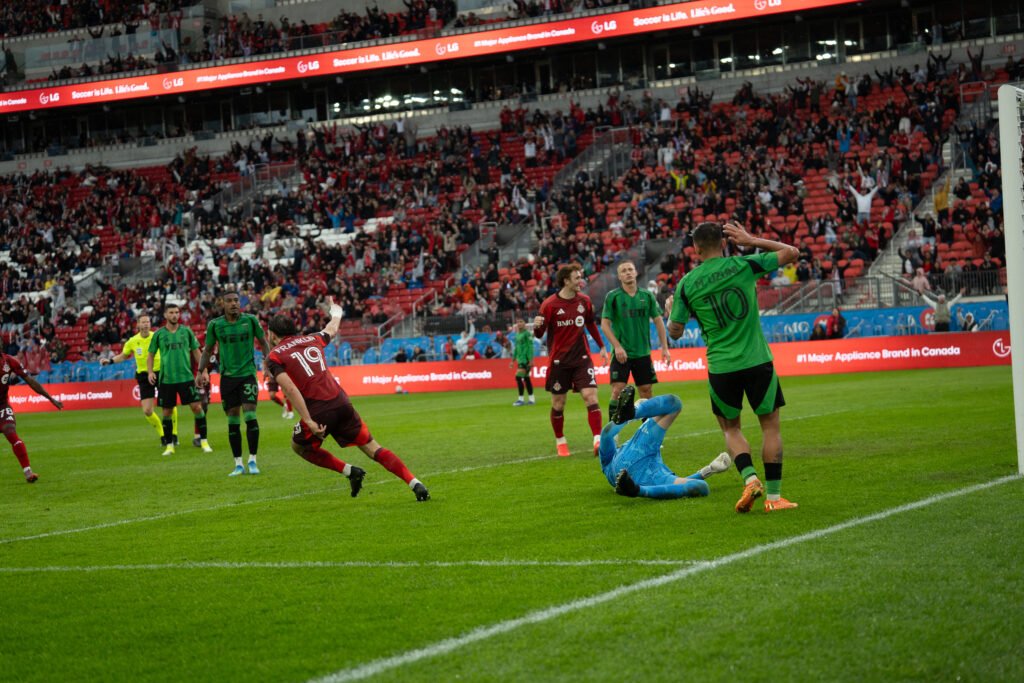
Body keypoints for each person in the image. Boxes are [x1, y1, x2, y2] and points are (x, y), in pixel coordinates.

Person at [666, 221, 800, 513]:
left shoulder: (686, 284)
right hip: (757, 360)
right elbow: (791, 252)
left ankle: (750, 478)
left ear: (696, 249)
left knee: (730, 428)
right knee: (770, 427)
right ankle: (775, 499)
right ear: (724, 243)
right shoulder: (743, 264)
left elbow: (674, 332)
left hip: (721, 366)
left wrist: (669, 312)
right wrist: (752, 239)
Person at [266, 298, 430, 501]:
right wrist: (336, 311)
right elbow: (332, 328)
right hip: (341, 401)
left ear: (272, 334)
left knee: (298, 446)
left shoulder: (274, 356)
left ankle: (349, 471)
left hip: (319, 410)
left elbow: (289, 388)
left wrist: (308, 420)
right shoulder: (312, 338)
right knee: (373, 447)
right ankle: (415, 483)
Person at [533, 262, 610, 457]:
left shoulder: (584, 301)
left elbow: (591, 324)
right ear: (566, 281)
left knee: (590, 397)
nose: (581, 281)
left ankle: (598, 440)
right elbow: (539, 333)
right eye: (577, 278)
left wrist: (601, 346)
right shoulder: (549, 305)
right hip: (559, 362)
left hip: (582, 359)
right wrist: (537, 326)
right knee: (558, 403)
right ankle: (560, 440)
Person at [600, 386, 731, 499]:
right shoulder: (612, 461)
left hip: (643, 466)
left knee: (674, 403)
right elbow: (606, 434)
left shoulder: (610, 463)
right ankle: (637, 491)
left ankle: (633, 412)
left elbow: (606, 434)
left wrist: (709, 470)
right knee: (702, 487)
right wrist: (707, 471)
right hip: (648, 473)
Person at [198, 291, 271, 476]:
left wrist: (269, 365)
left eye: (236, 300)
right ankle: (238, 463)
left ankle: (253, 460)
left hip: (247, 374)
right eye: (229, 301)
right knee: (232, 419)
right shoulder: (216, 325)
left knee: (250, 415)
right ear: (222, 304)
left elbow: (263, 342)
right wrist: (201, 371)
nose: (233, 304)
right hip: (228, 378)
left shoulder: (251, 321)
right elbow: (207, 350)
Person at [601, 260, 671, 421]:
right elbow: (605, 325)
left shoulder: (646, 296)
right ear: (619, 276)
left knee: (646, 391)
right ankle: (613, 432)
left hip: (642, 353)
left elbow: (659, 321)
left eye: (630, 269)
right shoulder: (613, 297)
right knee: (618, 390)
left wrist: (664, 348)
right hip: (621, 354)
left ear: (635, 272)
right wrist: (617, 347)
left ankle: (646, 434)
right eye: (624, 270)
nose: (627, 272)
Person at [101, 313, 178, 445]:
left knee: (168, 404)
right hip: (143, 375)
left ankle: (174, 434)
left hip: (161, 372)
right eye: (143, 322)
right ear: (138, 325)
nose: (146, 324)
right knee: (147, 411)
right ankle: (163, 435)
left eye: (148, 322)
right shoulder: (132, 341)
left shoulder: (158, 336)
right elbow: (124, 356)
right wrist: (110, 361)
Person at [147, 303, 210, 456]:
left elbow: (197, 352)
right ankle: (169, 445)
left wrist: (204, 371)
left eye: (177, 312)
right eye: (172, 312)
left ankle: (204, 441)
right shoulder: (159, 334)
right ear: (165, 315)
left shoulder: (186, 332)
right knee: (167, 412)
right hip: (167, 379)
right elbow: (150, 355)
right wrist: (150, 372)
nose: (175, 315)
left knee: (197, 408)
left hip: (186, 377)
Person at [1, 353, 62, 483]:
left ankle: (28, 472)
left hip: (2, 405)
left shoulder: (9, 361)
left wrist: (50, 398)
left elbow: (31, 381)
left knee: (10, 432)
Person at [511, 318, 535, 406]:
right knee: (526, 378)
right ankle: (531, 399)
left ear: (525, 324)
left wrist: (531, 360)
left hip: (526, 359)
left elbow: (530, 347)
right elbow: (516, 348)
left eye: (521, 321)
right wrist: (513, 360)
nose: (519, 323)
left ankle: (521, 399)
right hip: (520, 359)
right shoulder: (517, 335)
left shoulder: (527, 334)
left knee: (518, 377)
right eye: (518, 322)